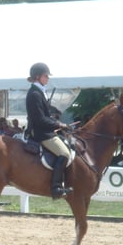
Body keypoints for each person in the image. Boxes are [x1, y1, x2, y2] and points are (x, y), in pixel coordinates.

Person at [25, 62, 72, 199]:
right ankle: (56, 187)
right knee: (64, 153)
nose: (48, 78)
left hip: (46, 130)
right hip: (40, 132)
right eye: (46, 76)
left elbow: (46, 116)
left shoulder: (40, 91)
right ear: (38, 76)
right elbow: (40, 119)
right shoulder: (34, 94)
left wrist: (58, 122)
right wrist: (59, 124)